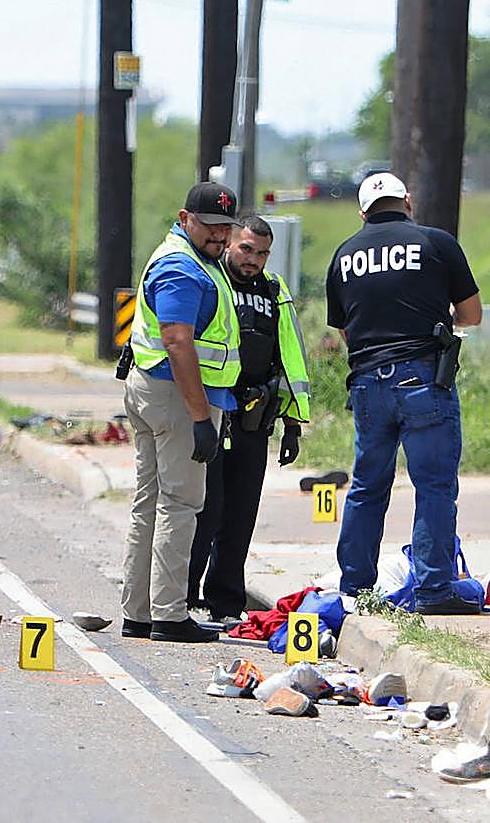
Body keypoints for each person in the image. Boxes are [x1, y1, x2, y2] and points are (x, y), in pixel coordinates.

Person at [324, 172, 483, 615]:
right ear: (407, 202)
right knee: (433, 485)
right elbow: (471, 314)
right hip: (422, 377)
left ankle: (354, 589)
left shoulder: (343, 256)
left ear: (362, 213)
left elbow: (343, 328)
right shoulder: (435, 243)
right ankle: (434, 588)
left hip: (368, 381)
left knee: (366, 487)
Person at [120, 182, 243, 644]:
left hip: (156, 390)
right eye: (209, 226)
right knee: (181, 502)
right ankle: (169, 615)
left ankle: (140, 612)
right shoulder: (182, 269)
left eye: (225, 228)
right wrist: (198, 418)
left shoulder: (192, 258)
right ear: (185, 217)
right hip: (176, 397)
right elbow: (177, 340)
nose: (218, 236)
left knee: (150, 502)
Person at [187, 215, 310, 623]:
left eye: (261, 253)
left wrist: (293, 423)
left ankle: (225, 602)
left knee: (241, 512)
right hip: (211, 408)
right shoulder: (210, 280)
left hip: (256, 417)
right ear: (230, 243)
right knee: (206, 507)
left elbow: (290, 357)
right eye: (246, 249)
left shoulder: (274, 291)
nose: (252, 259)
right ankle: (183, 595)